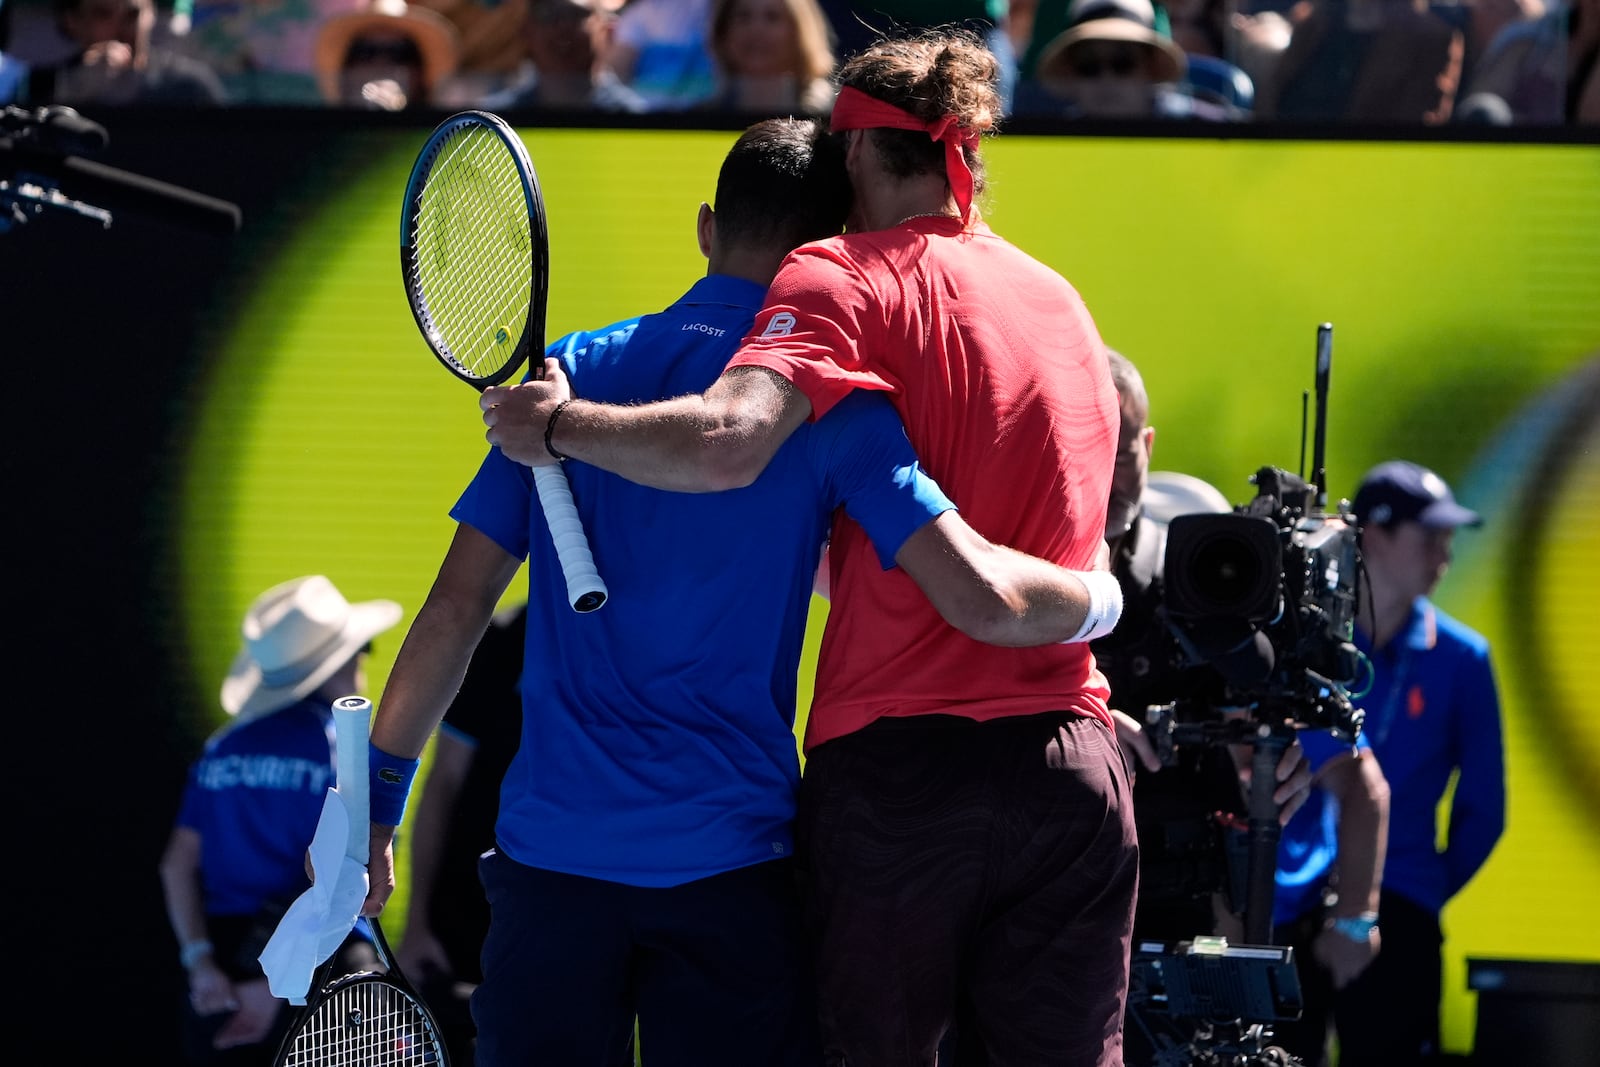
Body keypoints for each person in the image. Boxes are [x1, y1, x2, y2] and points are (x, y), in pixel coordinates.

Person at [364, 114, 1121, 1067]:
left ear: (705, 227)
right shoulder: (838, 407)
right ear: (829, 249)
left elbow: (456, 609)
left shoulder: (566, 382)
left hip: (553, 867)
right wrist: (1099, 603)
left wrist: (375, 807)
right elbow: (977, 593)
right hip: (734, 873)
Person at [157, 575, 399, 1067]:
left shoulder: (221, 748)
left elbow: (175, 865)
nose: (364, 660)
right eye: (361, 648)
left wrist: (201, 964)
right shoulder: (342, 751)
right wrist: (276, 988)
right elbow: (338, 881)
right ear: (339, 661)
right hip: (323, 977)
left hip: (221, 982)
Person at [1330, 460, 1506, 1066]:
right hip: (1290, 898)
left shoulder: (1463, 658)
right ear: (1373, 537)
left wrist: (1416, 889)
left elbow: (1484, 811)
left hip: (1396, 909)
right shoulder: (1305, 645)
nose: (1444, 554)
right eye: (1429, 536)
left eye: (1448, 539)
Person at [391, 601, 525, 1067]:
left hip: (565, 920)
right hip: (463, 921)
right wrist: (416, 923)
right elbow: (442, 780)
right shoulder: (503, 639)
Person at [29, 0, 224, 106]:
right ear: (72, 21)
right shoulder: (45, 83)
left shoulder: (191, 87)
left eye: (133, 14)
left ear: (151, 15)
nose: (122, 28)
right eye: (102, 14)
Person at [479, 0, 647, 114]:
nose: (563, 28)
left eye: (576, 15)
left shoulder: (640, 118)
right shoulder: (491, 121)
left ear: (606, 31)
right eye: (548, 15)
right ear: (526, 32)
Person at [312, 0, 460, 110]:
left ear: (421, 73)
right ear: (347, 66)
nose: (381, 62)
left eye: (400, 53)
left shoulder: (445, 141)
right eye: (366, 52)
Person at [702, 0, 836, 116]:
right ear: (723, 33)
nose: (756, 30)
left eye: (772, 17)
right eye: (743, 17)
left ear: (799, 32)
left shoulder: (832, 116)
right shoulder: (698, 120)